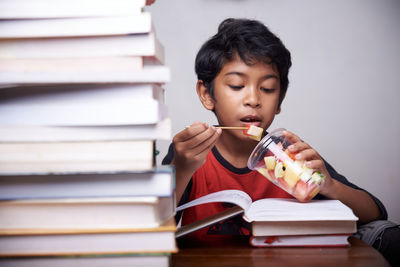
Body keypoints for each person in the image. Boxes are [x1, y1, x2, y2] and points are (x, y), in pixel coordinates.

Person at [162, 18, 399, 265]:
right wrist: (181, 169)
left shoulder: (287, 152)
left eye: (267, 88)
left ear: (280, 99)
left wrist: (328, 185)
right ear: (206, 94)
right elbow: (150, 229)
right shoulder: (190, 154)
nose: (253, 99)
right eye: (237, 85)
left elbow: (376, 212)